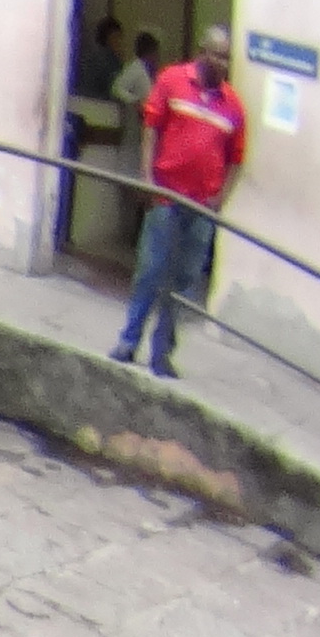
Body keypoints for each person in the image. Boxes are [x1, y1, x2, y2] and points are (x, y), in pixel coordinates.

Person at [112, 29, 247, 380]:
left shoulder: (233, 105)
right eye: (216, 55)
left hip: (201, 207)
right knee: (150, 270)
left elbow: (236, 159)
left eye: (227, 58)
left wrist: (220, 199)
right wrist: (147, 176)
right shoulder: (172, 80)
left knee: (183, 281)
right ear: (201, 52)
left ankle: (162, 352)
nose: (222, 63)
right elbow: (151, 128)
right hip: (166, 197)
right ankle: (129, 341)